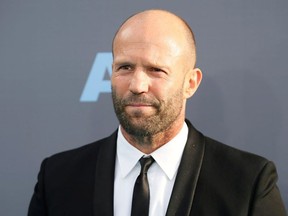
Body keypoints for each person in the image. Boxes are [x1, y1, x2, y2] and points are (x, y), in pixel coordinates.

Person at [28, 9, 287, 216]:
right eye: (125, 67)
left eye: (156, 70)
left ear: (191, 83)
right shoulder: (57, 178)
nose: (137, 86)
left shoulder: (249, 182)